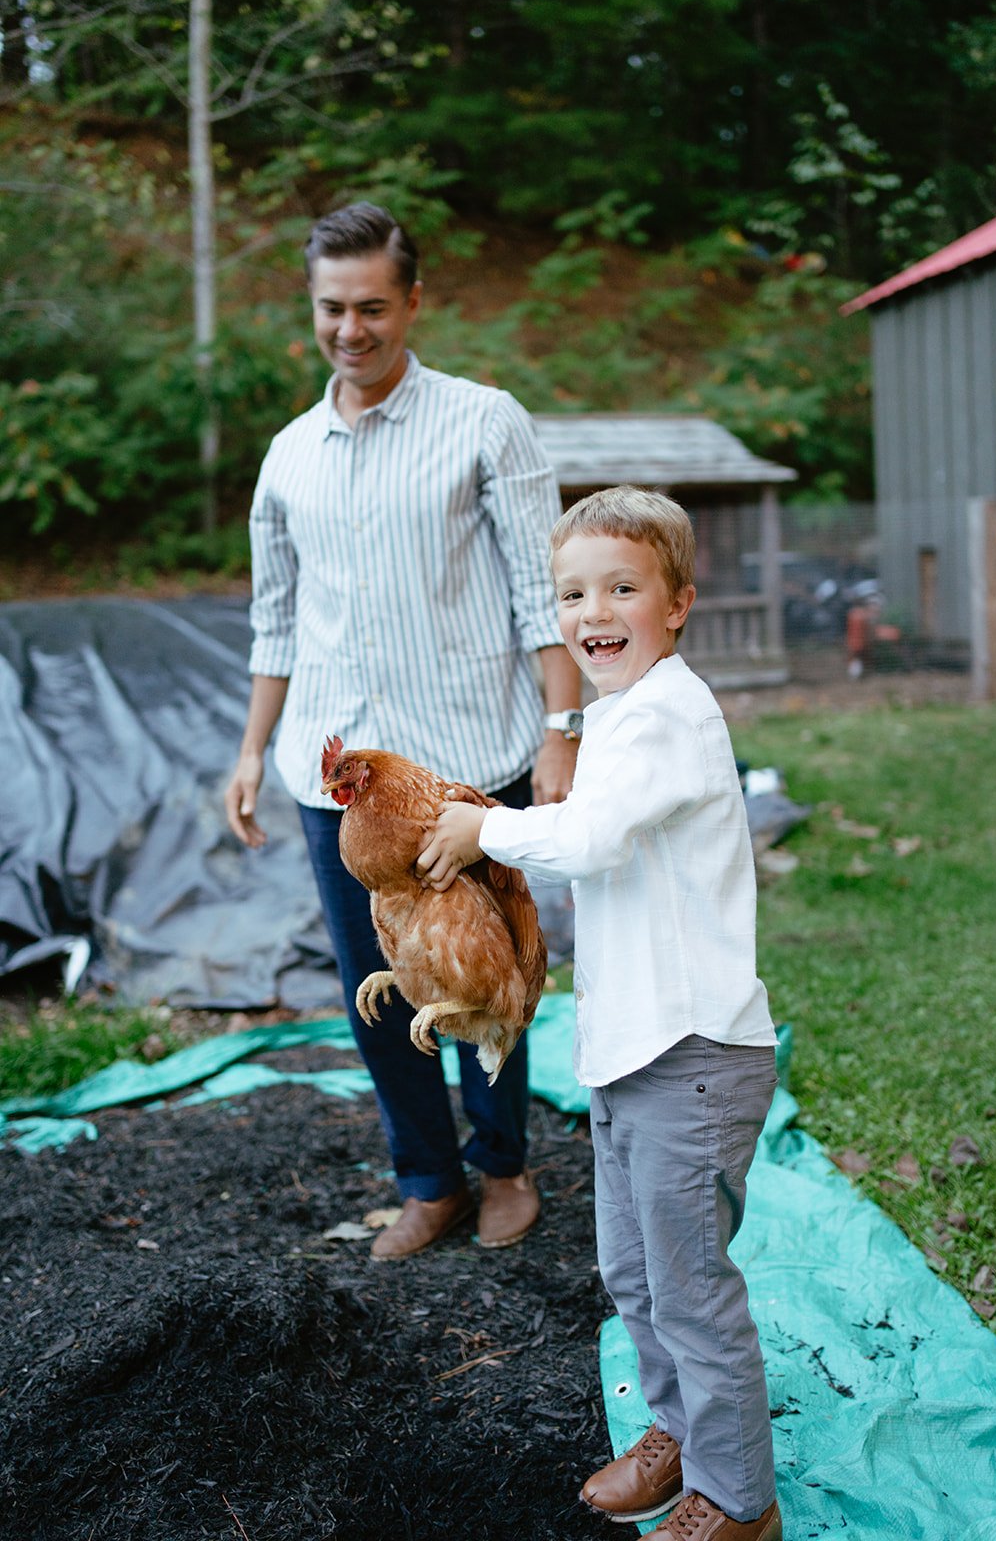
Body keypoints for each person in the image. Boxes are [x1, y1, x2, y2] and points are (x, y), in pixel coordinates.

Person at [418, 487, 781, 1541]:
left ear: (677, 604)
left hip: (694, 1052)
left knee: (689, 1285)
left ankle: (736, 1498)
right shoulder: (624, 713)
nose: (594, 610)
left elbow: (586, 841)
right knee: (634, 1272)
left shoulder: (670, 711)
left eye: (622, 586)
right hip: (629, 1052)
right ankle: (675, 1434)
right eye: (574, 592)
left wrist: (481, 825)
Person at [224, 201, 582, 1262]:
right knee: (375, 985)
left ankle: (504, 1165)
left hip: (470, 762)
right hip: (342, 778)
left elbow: (539, 594)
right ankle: (427, 1180)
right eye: (331, 308)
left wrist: (562, 733)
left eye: (372, 306)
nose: (350, 329)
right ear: (312, 308)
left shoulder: (483, 422)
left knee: (490, 965)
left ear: (412, 301)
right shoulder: (288, 454)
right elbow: (274, 616)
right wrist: (252, 748)